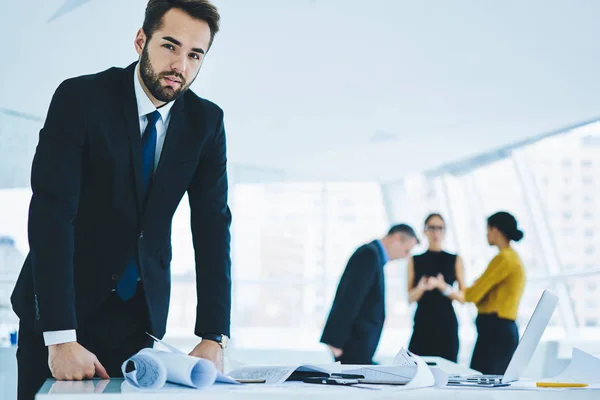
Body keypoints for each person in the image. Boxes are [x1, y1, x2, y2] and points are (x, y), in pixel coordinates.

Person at [10, 1, 231, 399]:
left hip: (139, 322)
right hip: (61, 313)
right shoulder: (80, 99)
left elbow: (213, 226)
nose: (180, 64)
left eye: (195, 54)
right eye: (170, 46)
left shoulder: (207, 123)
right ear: (140, 40)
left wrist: (213, 335)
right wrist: (60, 336)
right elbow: (52, 217)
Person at [438, 211, 525, 374]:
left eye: (488, 229)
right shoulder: (512, 258)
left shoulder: (504, 258)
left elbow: (472, 295)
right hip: (499, 330)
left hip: (495, 332)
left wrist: (477, 286)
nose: (486, 234)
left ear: (496, 230)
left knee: (482, 382)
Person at [320, 224, 419, 364]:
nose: (405, 256)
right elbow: (349, 298)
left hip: (359, 345)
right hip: (351, 345)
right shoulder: (368, 254)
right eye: (406, 250)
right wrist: (336, 342)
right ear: (397, 238)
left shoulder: (375, 256)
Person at [407, 213, 465, 362]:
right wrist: (422, 287)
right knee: (416, 368)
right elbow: (410, 298)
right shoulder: (415, 260)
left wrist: (443, 286)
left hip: (446, 324)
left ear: (445, 231)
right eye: (431, 228)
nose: (436, 232)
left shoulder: (455, 259)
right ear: (425, 231)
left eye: (440, 228)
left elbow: (463, 297)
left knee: (448, 370)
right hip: (422, 324)